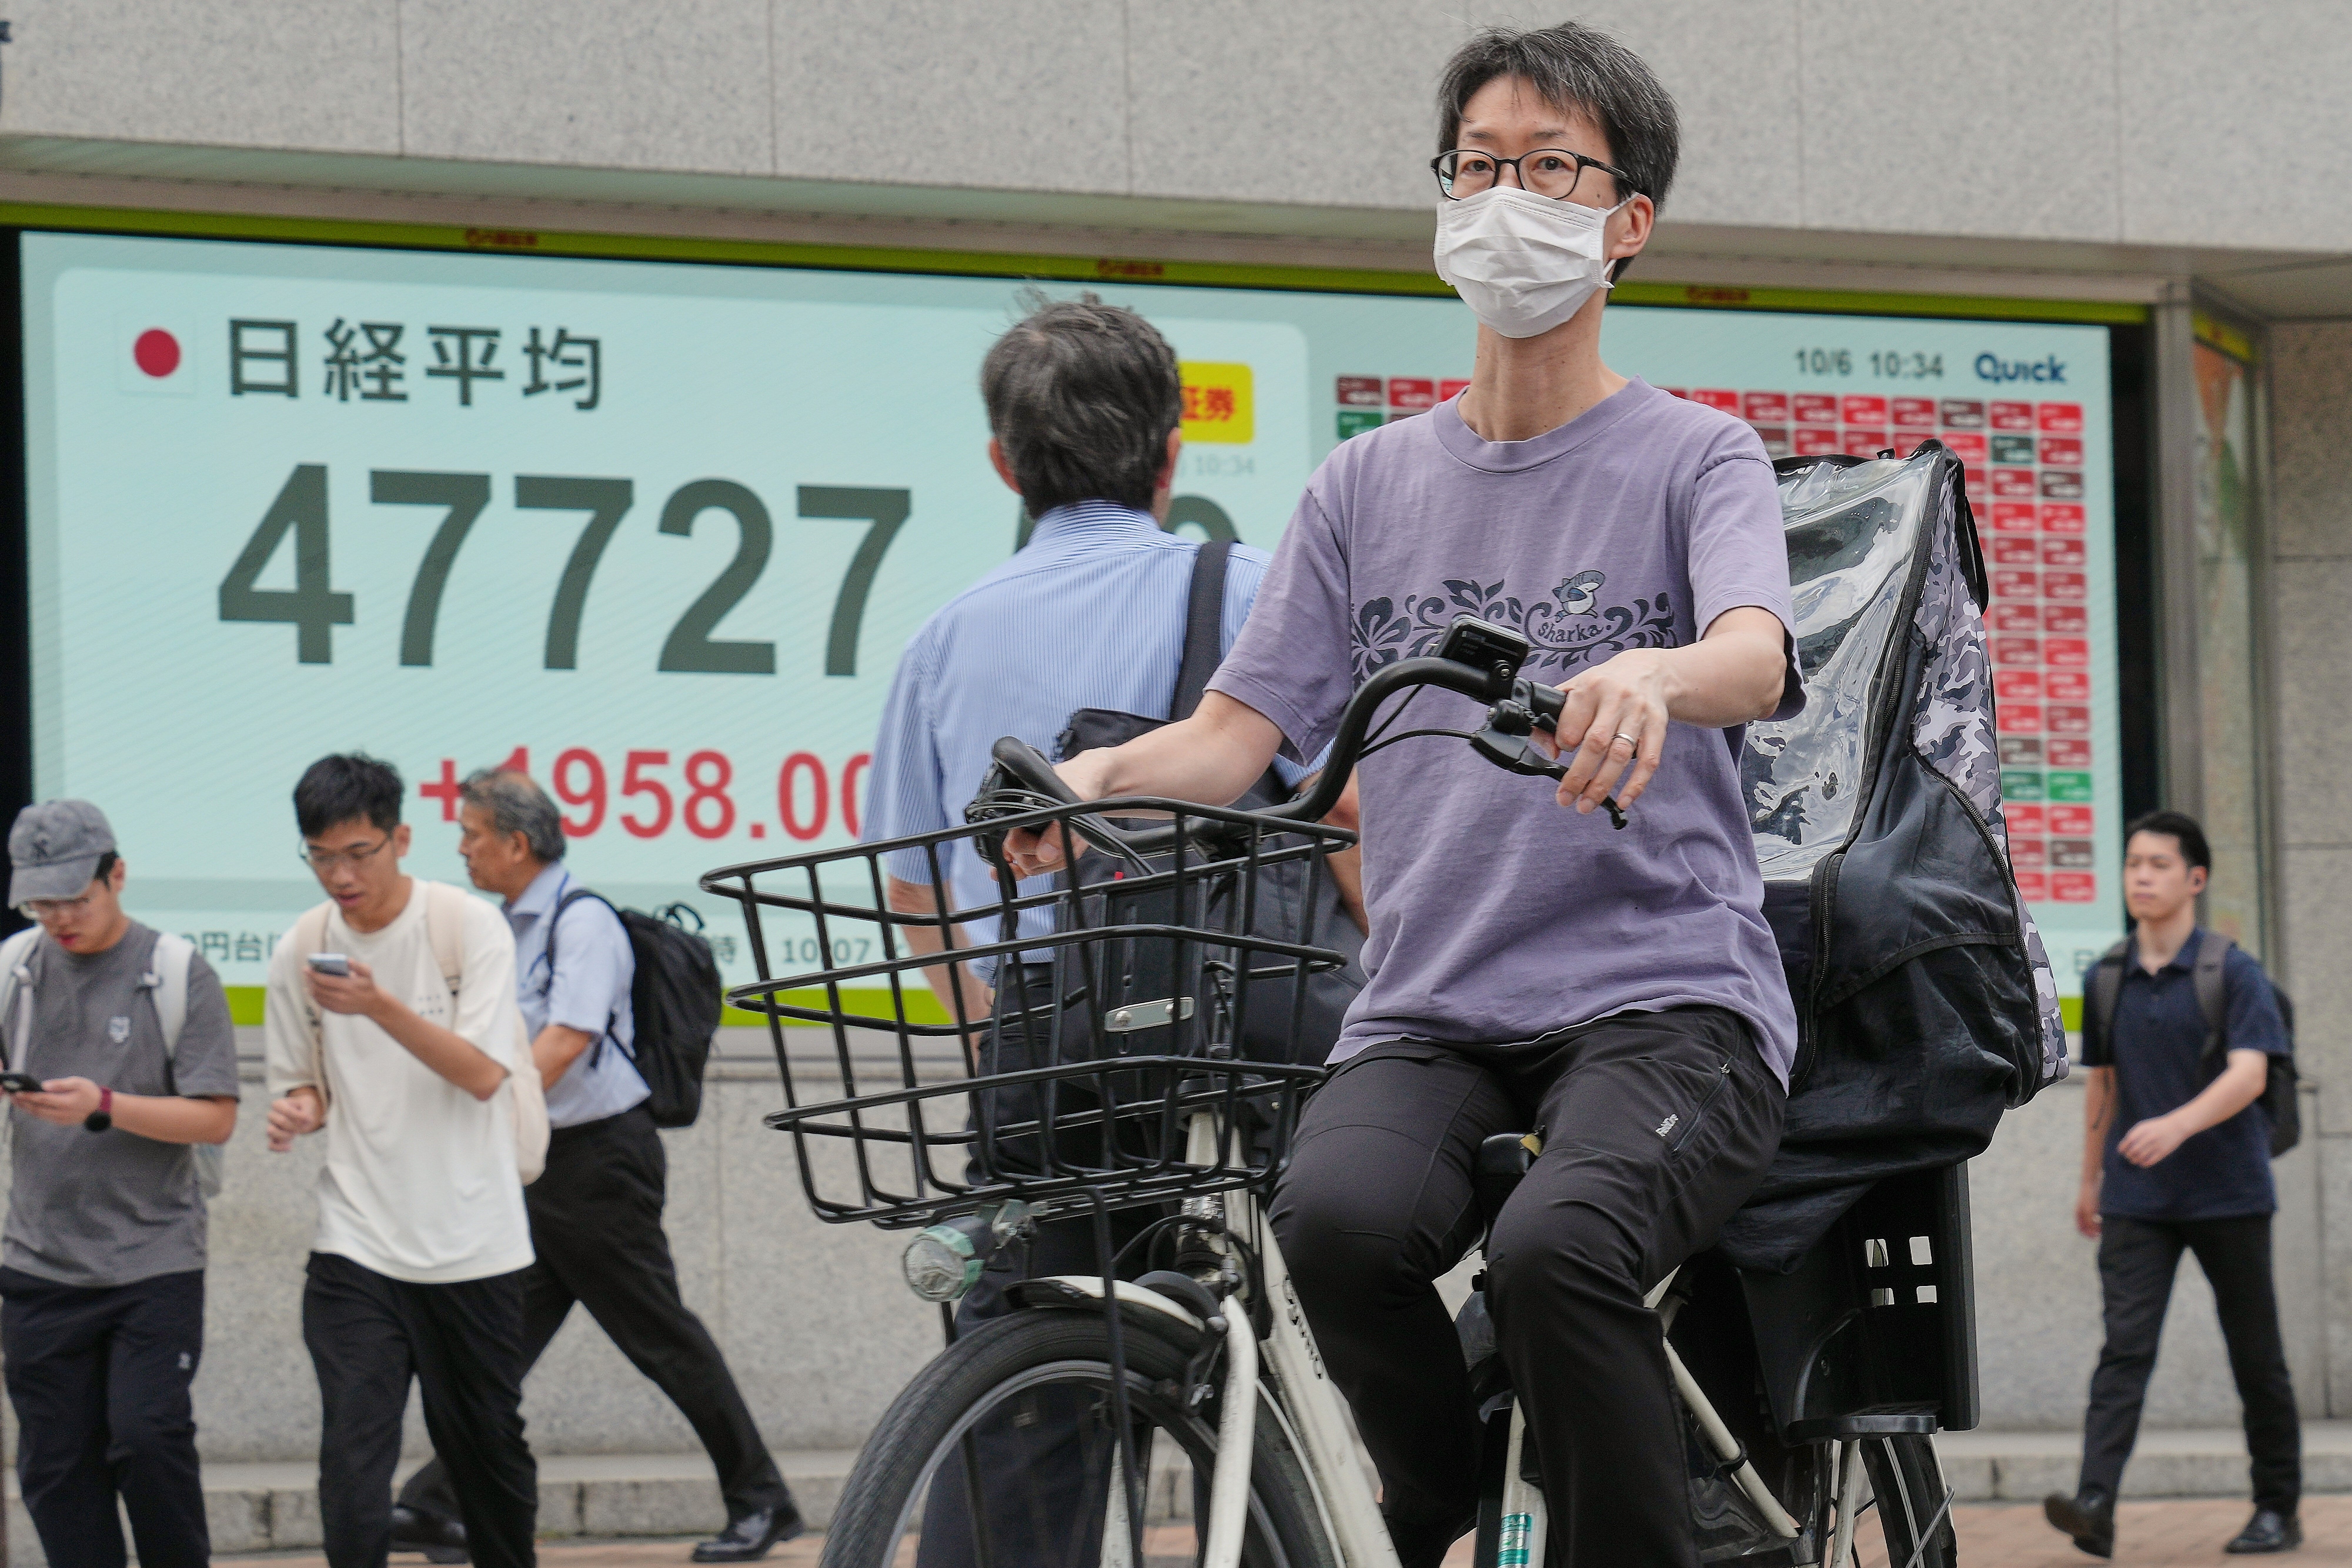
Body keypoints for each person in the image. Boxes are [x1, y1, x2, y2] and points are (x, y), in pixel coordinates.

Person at [1002, 24, 1802, 1567]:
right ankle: (1429, 1495)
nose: (1507, 199)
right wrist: (1094, 773)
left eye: (1551, 167)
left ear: (1628, 219)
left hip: (1667, 998)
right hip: (1433, 1005)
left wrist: (1653, 673)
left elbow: (1754, 657)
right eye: (1479, 164)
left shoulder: (1696, 455)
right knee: (1335, 1226)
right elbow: (1235, 737)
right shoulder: (1362, 487)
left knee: (1559, 1251)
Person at [861, 289, 1330, 1568]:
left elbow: (914, 893)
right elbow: (1346, 813)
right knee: (1279, 1399)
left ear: (1003, 463)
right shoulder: (1252, 591)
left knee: (1023, 1429)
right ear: (1173, 451)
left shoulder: (941, 642)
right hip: (1241, 1053)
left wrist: (998, 1039)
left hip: (1044, 1068)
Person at [391, 769, 801, 1563]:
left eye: (472, 833)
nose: (463, 849)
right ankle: (438, 1500)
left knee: (661, 1336)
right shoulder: (504, 928)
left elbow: (566, 1044)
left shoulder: (583, 924)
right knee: (497, 1340)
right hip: (543, 1161)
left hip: (599, 1165)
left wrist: (487, 1106)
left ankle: (764, 1499)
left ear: (517, 843)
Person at [263, 753, 540, 1568]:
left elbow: (482, 1074)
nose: (341, 876)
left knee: (487, 1450)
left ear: (401, 838)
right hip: (357, 1241)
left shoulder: (467, 927)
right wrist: (298, 1108)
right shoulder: (302, 948)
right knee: (353, 1455)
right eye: (321, 857)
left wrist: (379, 1005)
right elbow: (306, 1083)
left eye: (359, 853)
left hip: (473, 1242)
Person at [2044, 811, 2300, 1558]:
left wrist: (2176, 1126)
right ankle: (2095, 1505)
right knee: (2123, 1353)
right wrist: (2089, 1180)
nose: (2142, 877)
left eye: (2159, 864)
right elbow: (2103, 1084)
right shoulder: (2107, 976)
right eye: (2133, 864)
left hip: (2229, 1193)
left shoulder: (2233, 973)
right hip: (2136, 1200)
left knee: (2256, 1357)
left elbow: (2250, 1075)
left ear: (2196, 879)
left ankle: (2277, 1509)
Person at [0, 800, 238, 1568]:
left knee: (147, 1439)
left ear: (119, 875)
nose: (59, 918)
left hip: (153, 1263)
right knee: (56, 1469)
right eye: (42, 902)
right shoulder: (12, 972)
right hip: (39, 1265)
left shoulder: (175, 972)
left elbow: (216, 1119)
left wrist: (103, 1104)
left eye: (75, 897)